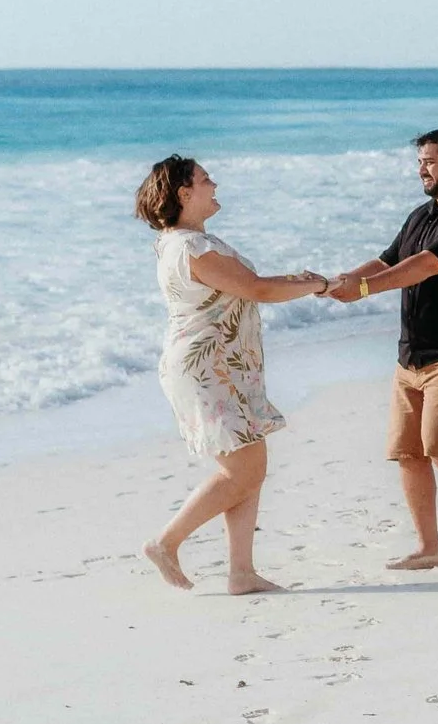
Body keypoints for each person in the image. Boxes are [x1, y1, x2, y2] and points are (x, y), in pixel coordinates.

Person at [133, 155, 327, 594]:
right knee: (243, 470)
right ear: (184, 194)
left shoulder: (185, 242)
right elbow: (257, 289)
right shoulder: (192, 247)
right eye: (206, 180)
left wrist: (299, 279)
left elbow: (247, 284)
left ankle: (242, 572)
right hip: (208, 369)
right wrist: (319, 286)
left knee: (248, 467)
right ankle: (166, 542)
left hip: (222, 365)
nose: (215, 184)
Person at [325, 128, 438, 568]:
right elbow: (389, 260)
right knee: (407, 452)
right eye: (419, 163)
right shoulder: (421, 215)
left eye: (429, 162)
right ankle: (429, 548)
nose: (422, 170)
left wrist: (364, 290)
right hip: (412, 354)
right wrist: (341, 281)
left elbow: (424, 265)